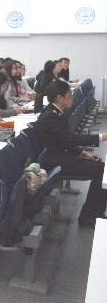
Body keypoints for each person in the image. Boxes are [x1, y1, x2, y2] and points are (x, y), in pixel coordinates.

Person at [34, 80, 107, 227]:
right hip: (54, 162)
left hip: (59, 156)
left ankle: (96, 213)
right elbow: (71, 139)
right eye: (69, 95)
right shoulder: (49, 117)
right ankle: (88, 216)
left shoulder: (55, 112)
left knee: (102, 167)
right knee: (100, 171)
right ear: (60, 98)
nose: (72, 97)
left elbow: (65, 140)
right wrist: (102, 137)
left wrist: (84, 153)